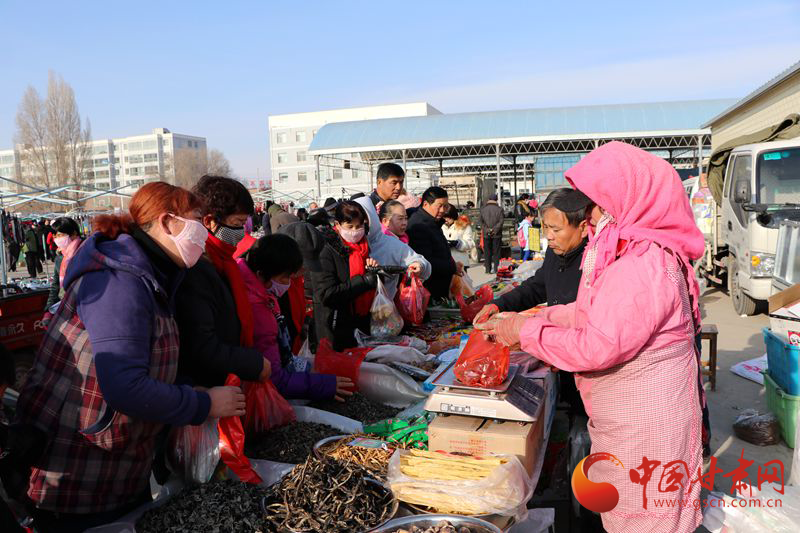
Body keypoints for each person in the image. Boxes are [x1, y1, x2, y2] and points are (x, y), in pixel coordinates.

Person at [476, 142, 705, 533]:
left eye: (598, 204)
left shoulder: (644, 263)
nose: (594, 215)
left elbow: (598, 345)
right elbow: (594, 312)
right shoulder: (630, 252)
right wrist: (541, 316)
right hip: (631, 423)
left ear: (629, 197)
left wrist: (527, 330)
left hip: (646, 429)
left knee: (645, 521)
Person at [10, 182, 245, 533]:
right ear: (168, 222)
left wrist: (182, 386)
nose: (202, 231)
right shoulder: (119, 279)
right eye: (197, 220)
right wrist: (203, 403)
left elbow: (148, 357)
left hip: (119, 466)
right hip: (77, 471)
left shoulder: (157, 274)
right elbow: (125, 386)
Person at [474, 188, 592, 415]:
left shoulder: (596, 259)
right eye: (546, 228)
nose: (549, 236)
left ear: (584, 227)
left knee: (582, 420)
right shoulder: (556, 252)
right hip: (557, 355)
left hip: (582, 361)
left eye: (556, 229)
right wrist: (500, 304)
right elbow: (539, 285)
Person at [176, 175, 270, 388]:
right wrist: (250, 363)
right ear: (209, 221)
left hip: (229, 377)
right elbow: (201, 344)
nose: (241, 232)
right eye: (237, 223)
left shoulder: (225, 260)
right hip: (210, 385)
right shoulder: (197, 267)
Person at [237, 234, 352, 401]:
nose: (288, 282)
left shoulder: (262, 293)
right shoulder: (257, 308)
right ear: (262, 274)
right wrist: (322, 384)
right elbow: (275, 378)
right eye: (285, 277)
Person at [312, 201, 379, 350]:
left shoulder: (364, 247)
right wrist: (364, 281)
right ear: (337, 224)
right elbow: (326, 294)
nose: (355, 231)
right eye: (350, 227)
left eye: (359, 226)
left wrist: (374, 274)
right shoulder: (326, 250)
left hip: (360, 322)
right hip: (334, 326)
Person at [356, 196, 430, 301]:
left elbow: (424, 265)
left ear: (371, 218)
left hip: (382, 310)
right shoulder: (342, 246)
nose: (358, 227)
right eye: (352, 222)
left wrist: (419, 265)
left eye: (363, 221)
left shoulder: (392, 244)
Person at [407, 186, 462, 301]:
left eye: (445, 206)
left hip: (439, 286)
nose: (443, 210)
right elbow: (425, 260)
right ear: (426, 204)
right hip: (430, 290)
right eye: (439, 206)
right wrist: (452, 266)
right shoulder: (419, 225)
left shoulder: (433, 221)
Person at [44, 217, 83, 311]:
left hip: (85, 304)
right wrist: (49, 306)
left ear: (74, 234)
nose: (57, 239)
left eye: (60, 235)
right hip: (67, 305)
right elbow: (56, 285)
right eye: (55, 236)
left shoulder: (84, 252)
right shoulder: (60, 258)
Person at [480, 194, 504, 274]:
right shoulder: (500, 209)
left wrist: (487, 230)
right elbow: (501, 221)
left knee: (487, 252)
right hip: (497, 234)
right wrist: (494, 230)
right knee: (496, 252)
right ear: (496, 200)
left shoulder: (483, 209)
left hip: (486, 234)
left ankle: (488, 269)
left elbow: (481, 222)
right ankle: (496, 269)